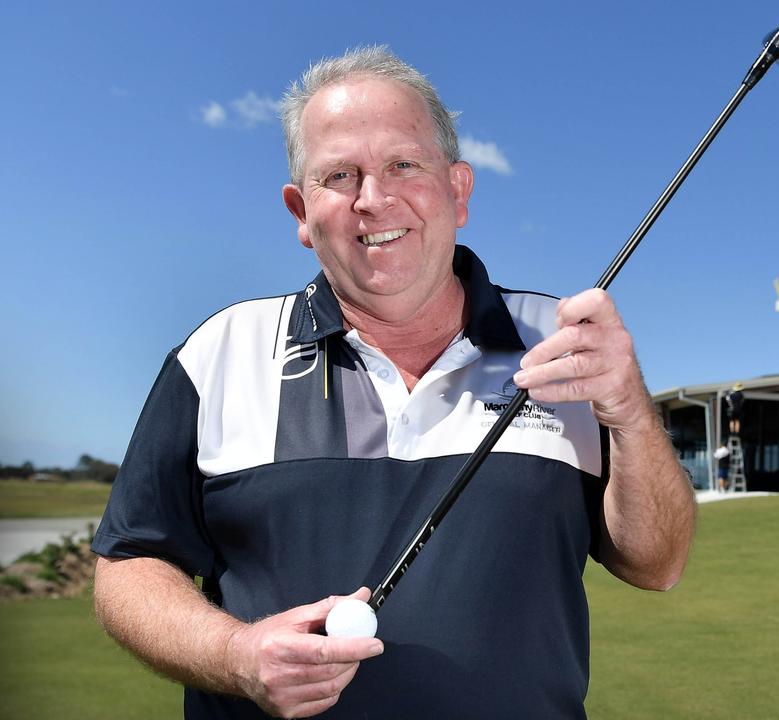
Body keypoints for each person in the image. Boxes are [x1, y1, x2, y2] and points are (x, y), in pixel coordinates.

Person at [91, 46, 696, 719]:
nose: (373, 201)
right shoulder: (220, 353)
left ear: (457, 190)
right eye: (339, 176)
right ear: (300, 209)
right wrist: (236, 654)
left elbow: (655, 562)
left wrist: (630, 413)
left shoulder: (562, 344)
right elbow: (129, 565)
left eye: (402, 165)